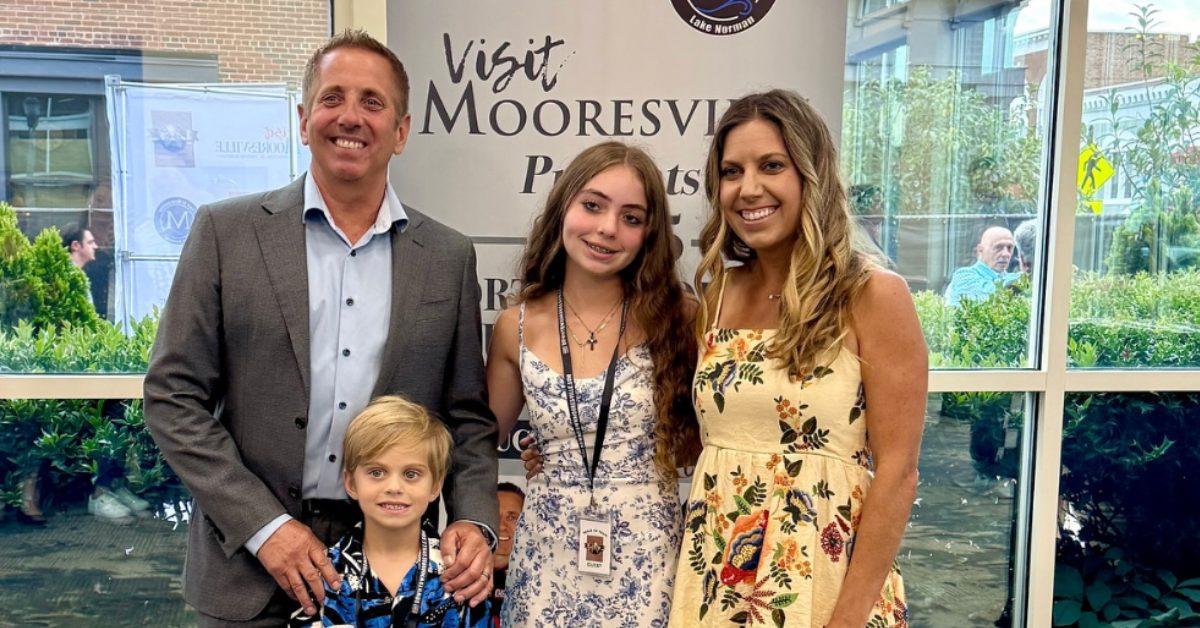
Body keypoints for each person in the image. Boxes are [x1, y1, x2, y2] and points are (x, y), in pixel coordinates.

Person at [143, 30, 498, 626]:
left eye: (373, 102)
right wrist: (264, 526)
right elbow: (172, 396)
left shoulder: (448, 255)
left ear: (403, 131)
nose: (350, 117)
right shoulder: (224, 234)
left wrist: (474, 519)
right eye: (333, 99)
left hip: (395, 576)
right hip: (246, 570)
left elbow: (466, 415)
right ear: (305, 119)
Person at [668, 90, 925, 627]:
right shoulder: (717, 296)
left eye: (772, 166)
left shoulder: (874, 295)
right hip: (717, 574)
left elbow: (897, 472)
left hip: (825, 583)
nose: (749, 188)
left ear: (812, 174)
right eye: (732, 171)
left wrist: (848, 617)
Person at [486, 141, 699, 626]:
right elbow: (479, 445)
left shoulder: (680, 317)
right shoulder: (515, 325)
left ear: (649, 234)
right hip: (545, 557)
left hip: (649, 557)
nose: (607, 228)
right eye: (593, 205)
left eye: (631, 217)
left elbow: (711, 437)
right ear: (564, 206)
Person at [289, 396, 490, 627]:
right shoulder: (322, 573)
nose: (394, 487)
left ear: (435, 486)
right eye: (377, 472)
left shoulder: (461, 574)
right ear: (351, 483)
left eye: (411, 474)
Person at [943, 226, 1019, 305]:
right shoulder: (964, 276)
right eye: (998, 247)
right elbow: (987, 303)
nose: (1006, 254)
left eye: (1009, 247)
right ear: (980, 250)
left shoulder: (1013, 278)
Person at [490, 482, 525, 626]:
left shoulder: (537, 583)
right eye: (493, 515)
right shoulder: (455, 575)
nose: (501, 525)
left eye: (511, 517)